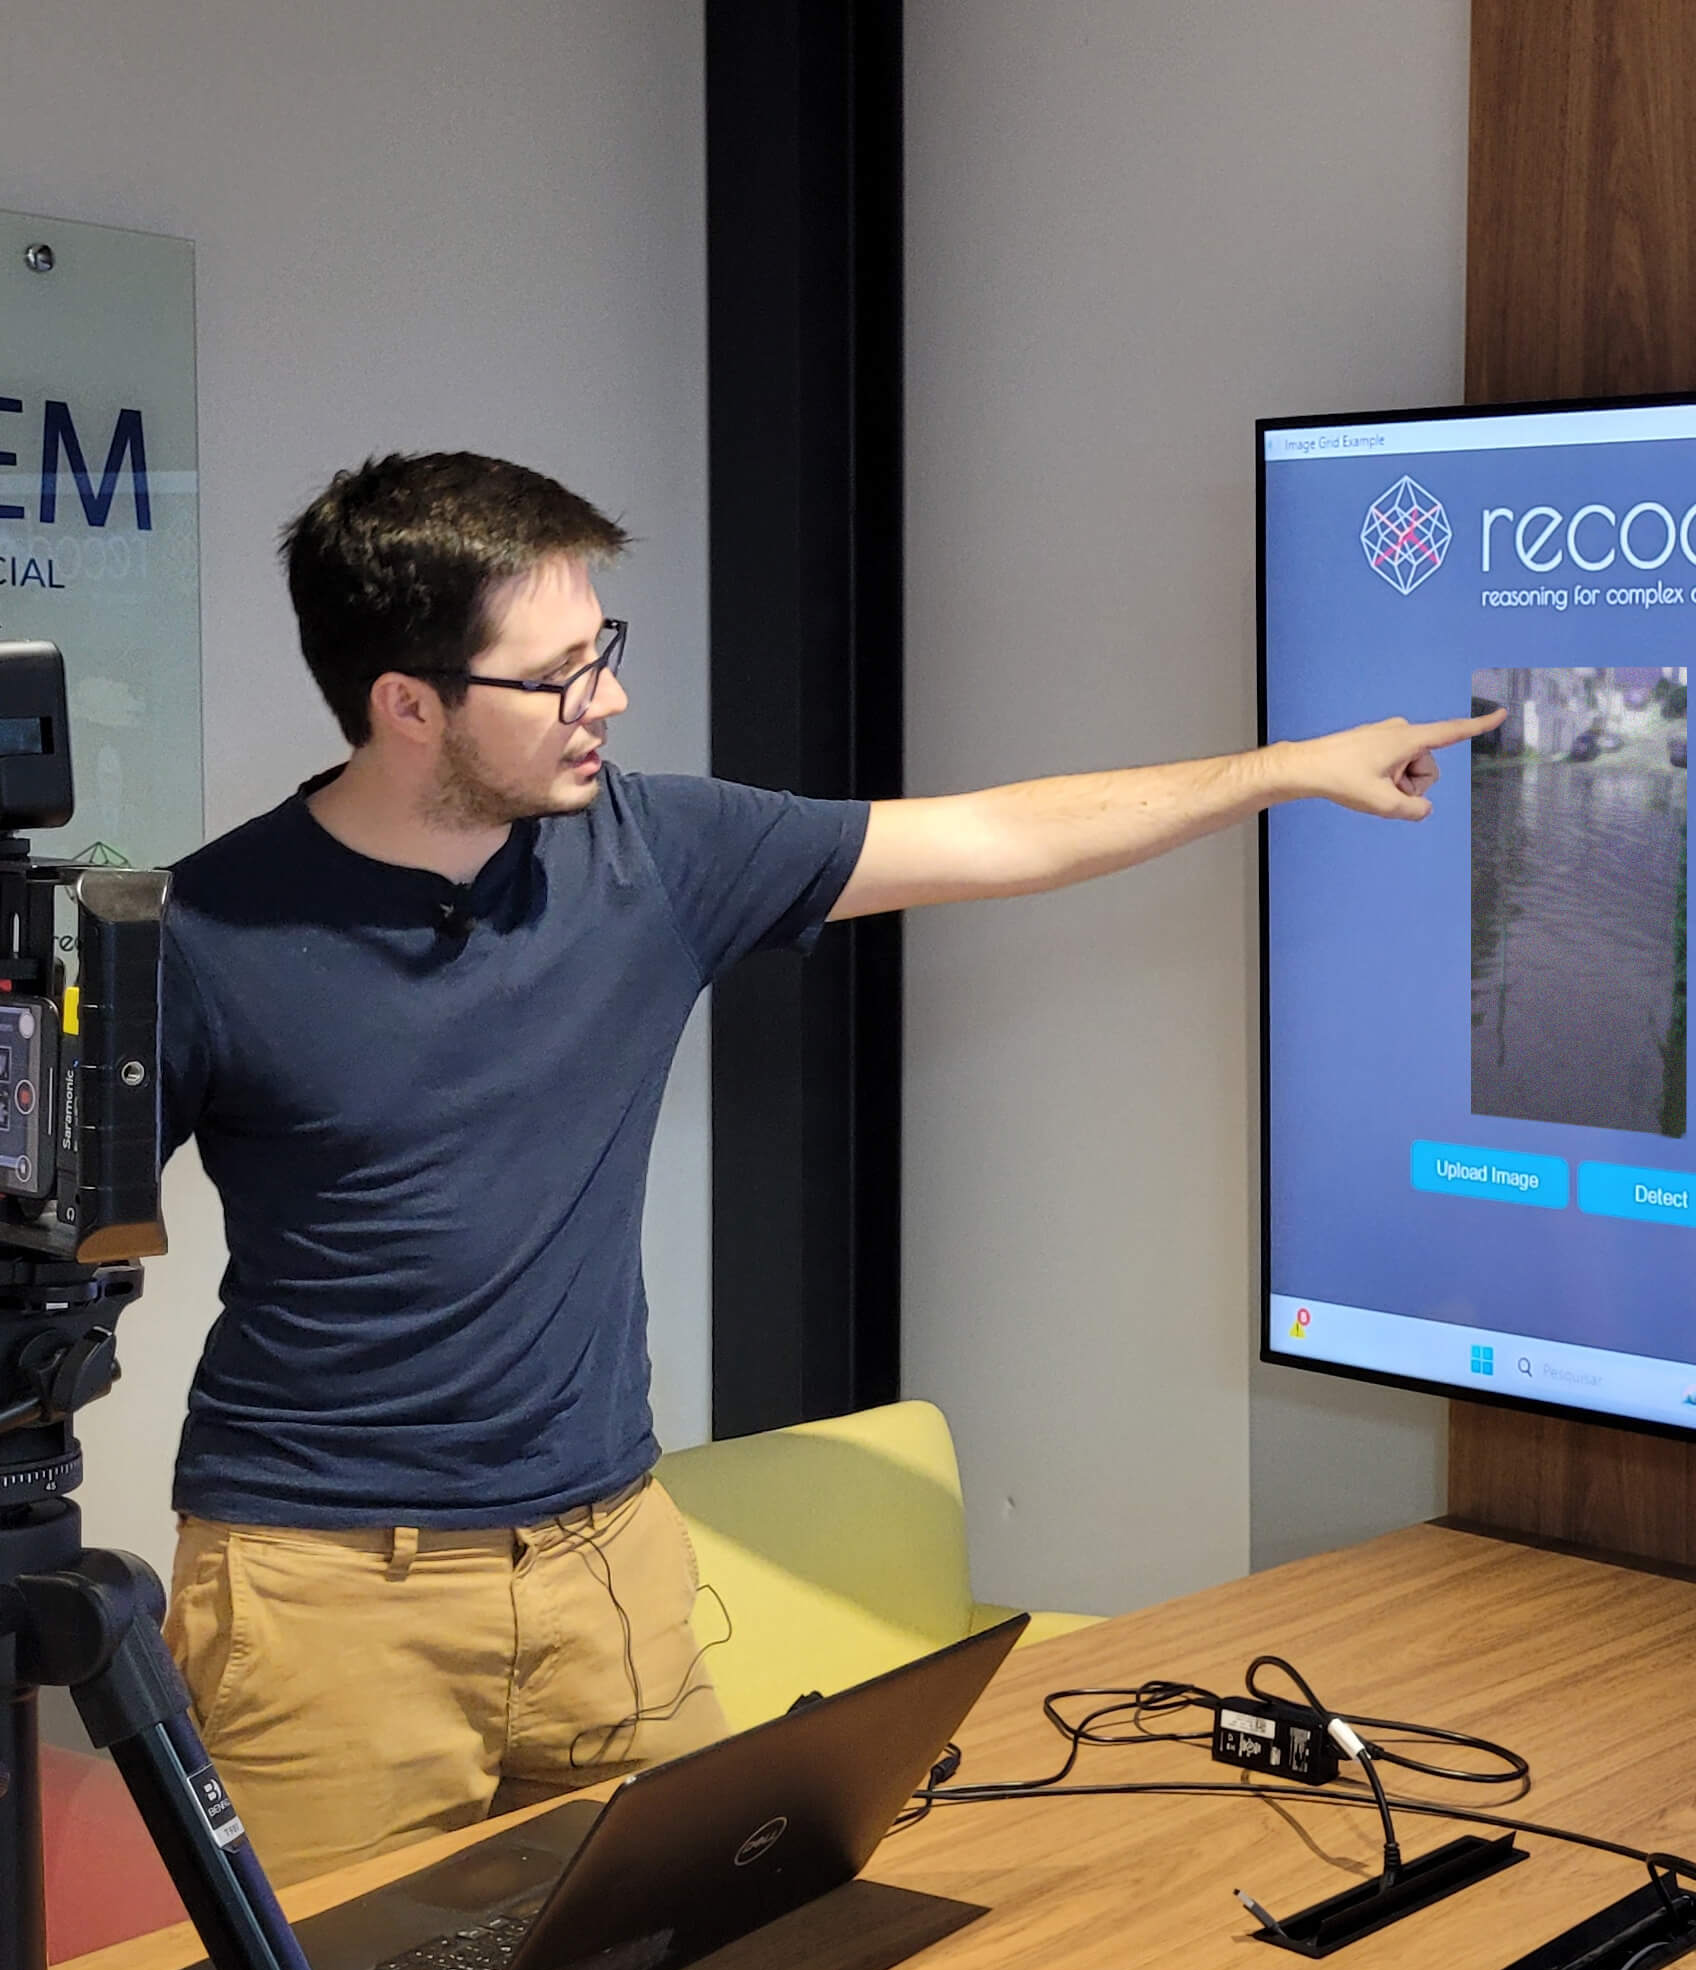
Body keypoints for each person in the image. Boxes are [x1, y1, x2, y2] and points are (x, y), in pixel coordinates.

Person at [159, 450, 1501, 1885]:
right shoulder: (204, 933)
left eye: (603, 648)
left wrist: (1289, 770)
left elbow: (993, 836)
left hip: (610, 1559)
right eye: (557, 675)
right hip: (325, 1590)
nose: (608, 697)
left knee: (697, 1957)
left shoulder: (654, 854)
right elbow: (59, 1245)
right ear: (410, 705)